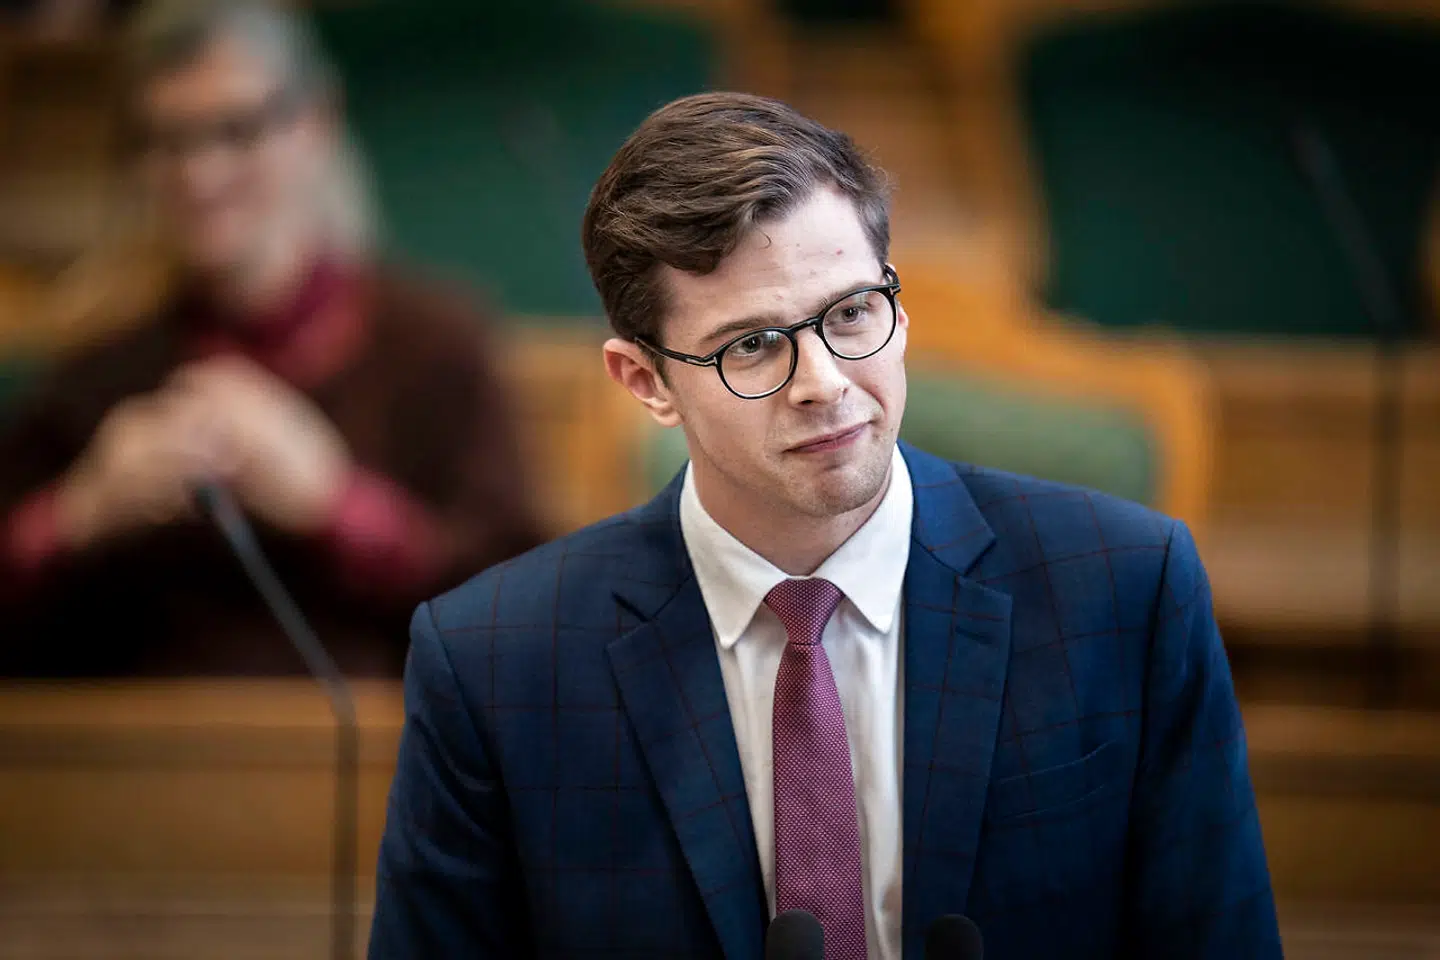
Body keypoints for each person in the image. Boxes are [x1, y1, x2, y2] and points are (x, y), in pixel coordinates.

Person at [369, 93, 1282, 958]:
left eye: (850, 314)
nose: (826, 382)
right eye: (752, 345)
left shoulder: (1127, 589)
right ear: (645, 382)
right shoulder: (494, 661)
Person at [0, 0, 543, 677]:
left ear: (315, 122)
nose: (199, 175)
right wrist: (79, 513)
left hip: (373, 762)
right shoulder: (95, 376)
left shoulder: (439, 349)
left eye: (236, 129)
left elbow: (525, 621)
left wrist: (333, 503)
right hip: (138, 766)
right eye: (167, 139)